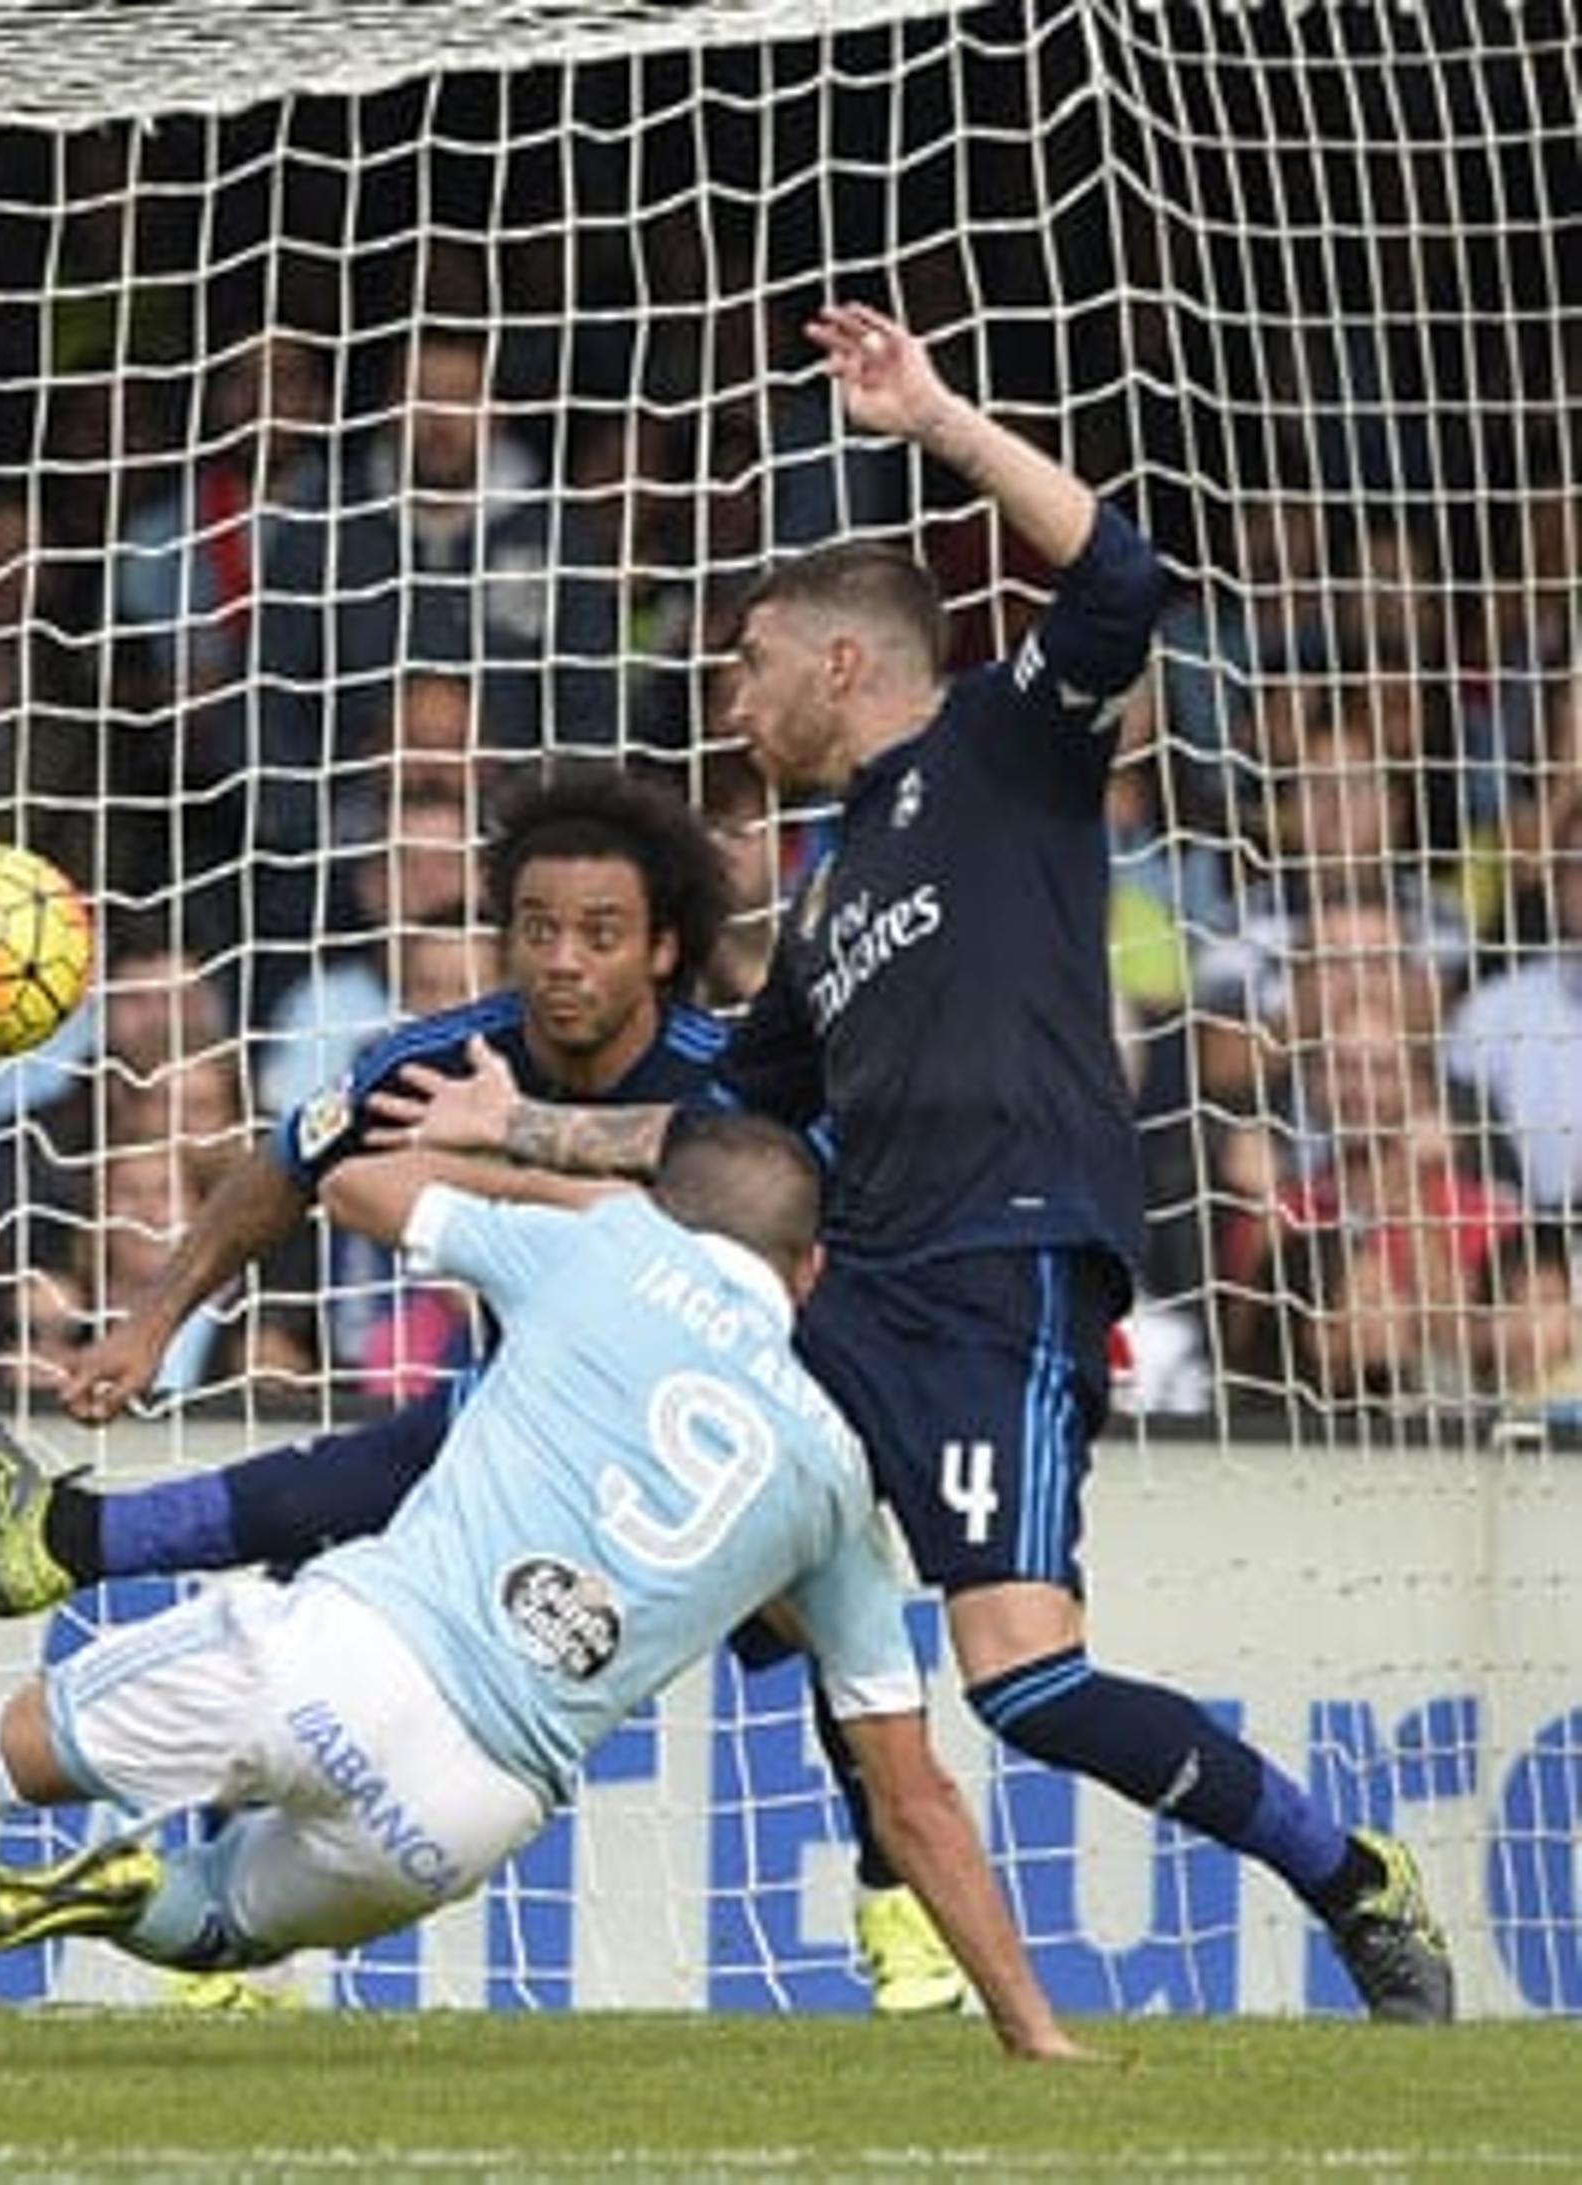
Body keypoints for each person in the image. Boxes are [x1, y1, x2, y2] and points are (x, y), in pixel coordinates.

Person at [374, 304, 1456, 2022]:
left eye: (746, 660)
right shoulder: (820, 897)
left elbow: (1121, 586)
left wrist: (940, 423)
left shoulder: (1000, 752)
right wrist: (509, 1124)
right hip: (856, 1277)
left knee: (1023, 1683)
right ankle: (865, 1860)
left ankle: (1350, 1875)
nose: (726, 694)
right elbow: (720, 1129)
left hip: (999, 1263)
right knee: (654, 1482)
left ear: (842, 663)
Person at [0, 1119, 1084, 2065]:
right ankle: (123, 1895)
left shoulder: (606, 1250)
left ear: (670, 1213)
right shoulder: (829, 1476)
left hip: (339, 1647)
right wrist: (1032, 2028)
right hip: (470, 1811)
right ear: (807, 1277)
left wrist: (539, 1159)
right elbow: (914, 1788)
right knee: (221, 1919)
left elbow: (361, 1176)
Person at [0, 761, 972, 2016]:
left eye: (599, 934)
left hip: (728, 1439)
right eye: (537, 929)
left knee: (847, 1636)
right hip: (530, 1433)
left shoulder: (738, 1088)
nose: (562, 962)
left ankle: (889, 1896)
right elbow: (289, 1171)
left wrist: (512, 1155)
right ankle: (201, 1884)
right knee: (333, 1586)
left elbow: (815, 1245)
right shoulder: (436, 1058)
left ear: (661, 949)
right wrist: (151, 1326)